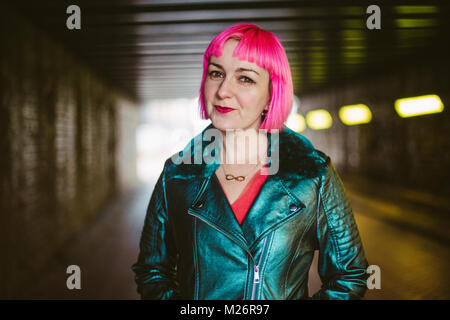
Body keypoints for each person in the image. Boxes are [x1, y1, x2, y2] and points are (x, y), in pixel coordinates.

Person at [131, 23, 369, 300]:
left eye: (245, 78)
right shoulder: (177, 176)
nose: (222, 91)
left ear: (271, 94)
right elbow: (152, 271)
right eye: (216, 73)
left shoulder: (312, 176)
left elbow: (349, 276)